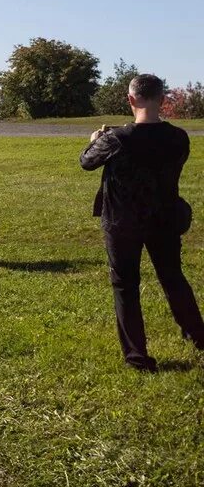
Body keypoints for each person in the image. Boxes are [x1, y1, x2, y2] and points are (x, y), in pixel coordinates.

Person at [80, 73, 204, 373]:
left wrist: (96, 140)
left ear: (130, 99)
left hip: (122, 221)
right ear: (163, 100)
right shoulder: (178, 137)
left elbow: (86, 161)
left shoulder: (117, 139)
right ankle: (198, 335)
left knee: (125, 285)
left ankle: (137, 355)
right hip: (164, 218)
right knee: (173, 278)